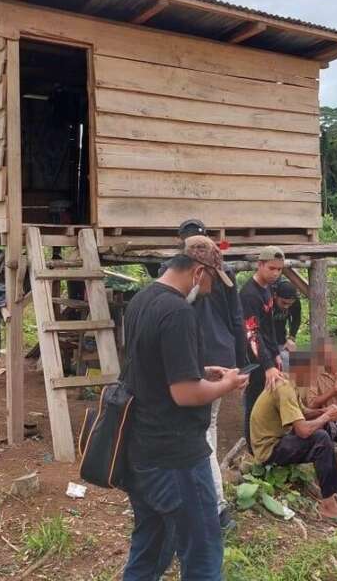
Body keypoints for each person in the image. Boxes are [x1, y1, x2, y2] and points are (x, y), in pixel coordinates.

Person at [121, 236, 250, 581]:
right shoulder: (178, 311)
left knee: (150, 547)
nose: (209, 291)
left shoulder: (142, 300)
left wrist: (202, 371)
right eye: (210, 282)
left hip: (142, 452)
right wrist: (227, 384)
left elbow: (154, 368)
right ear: (197, 272)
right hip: (176, 457)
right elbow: (184, 394)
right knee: (204, 552)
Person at [162, 219, 246, 531]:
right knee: (203, 429)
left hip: (196, 359)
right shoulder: (227, 274)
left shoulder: (177, 275)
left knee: (201, 433)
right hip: (221, 356)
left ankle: (216, 508)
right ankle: (203, 502)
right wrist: (240, 362)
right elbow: (237, 320)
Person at [249, 350, 337, 526]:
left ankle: (331, 487)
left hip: (277, 440)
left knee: (320, 428)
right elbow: (302, 431)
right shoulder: (284, 388)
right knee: (320, 438)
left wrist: (323, 412)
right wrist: (326, 416)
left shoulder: (291, 384)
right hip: (268, 450)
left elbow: (302, 412)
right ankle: (328, 507)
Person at [239, 246, 285, 449]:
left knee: (269, 400)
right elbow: (252, 333)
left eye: (279, 269)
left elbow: (269, 326)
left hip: (266, 353)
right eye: (272, 268)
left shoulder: (268, 289)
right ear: (260, 265)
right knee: (254, 402)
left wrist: (276, 353)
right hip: (253, 358)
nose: (276, 273)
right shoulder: (249, 294)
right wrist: (267, 366)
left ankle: (267, 442)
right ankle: (252, 448)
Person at [272, 279, 303, 369]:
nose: (286, 306)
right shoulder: (267, 300)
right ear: (275, 296)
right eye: (284, 303)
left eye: (289, 304)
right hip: (264, 340)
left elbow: (296, 319)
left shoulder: (295, 302)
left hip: (281, 338)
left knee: (287, 364)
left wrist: (291, 337)